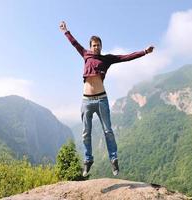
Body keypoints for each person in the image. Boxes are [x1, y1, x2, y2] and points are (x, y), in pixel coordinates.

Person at [59, 21, 154, 177]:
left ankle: (114, 159)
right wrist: (66, 31)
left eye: (98, 45)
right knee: (85, 133)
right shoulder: (85, 54)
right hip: (86, 101)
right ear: (90, 46)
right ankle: (88, 160)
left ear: (101, 46)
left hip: (102, 99)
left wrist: (144, 51)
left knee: (108, 131)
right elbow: (74, 44)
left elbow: (126, 57)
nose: (96, 47)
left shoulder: (107, 59)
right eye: (94, 45)